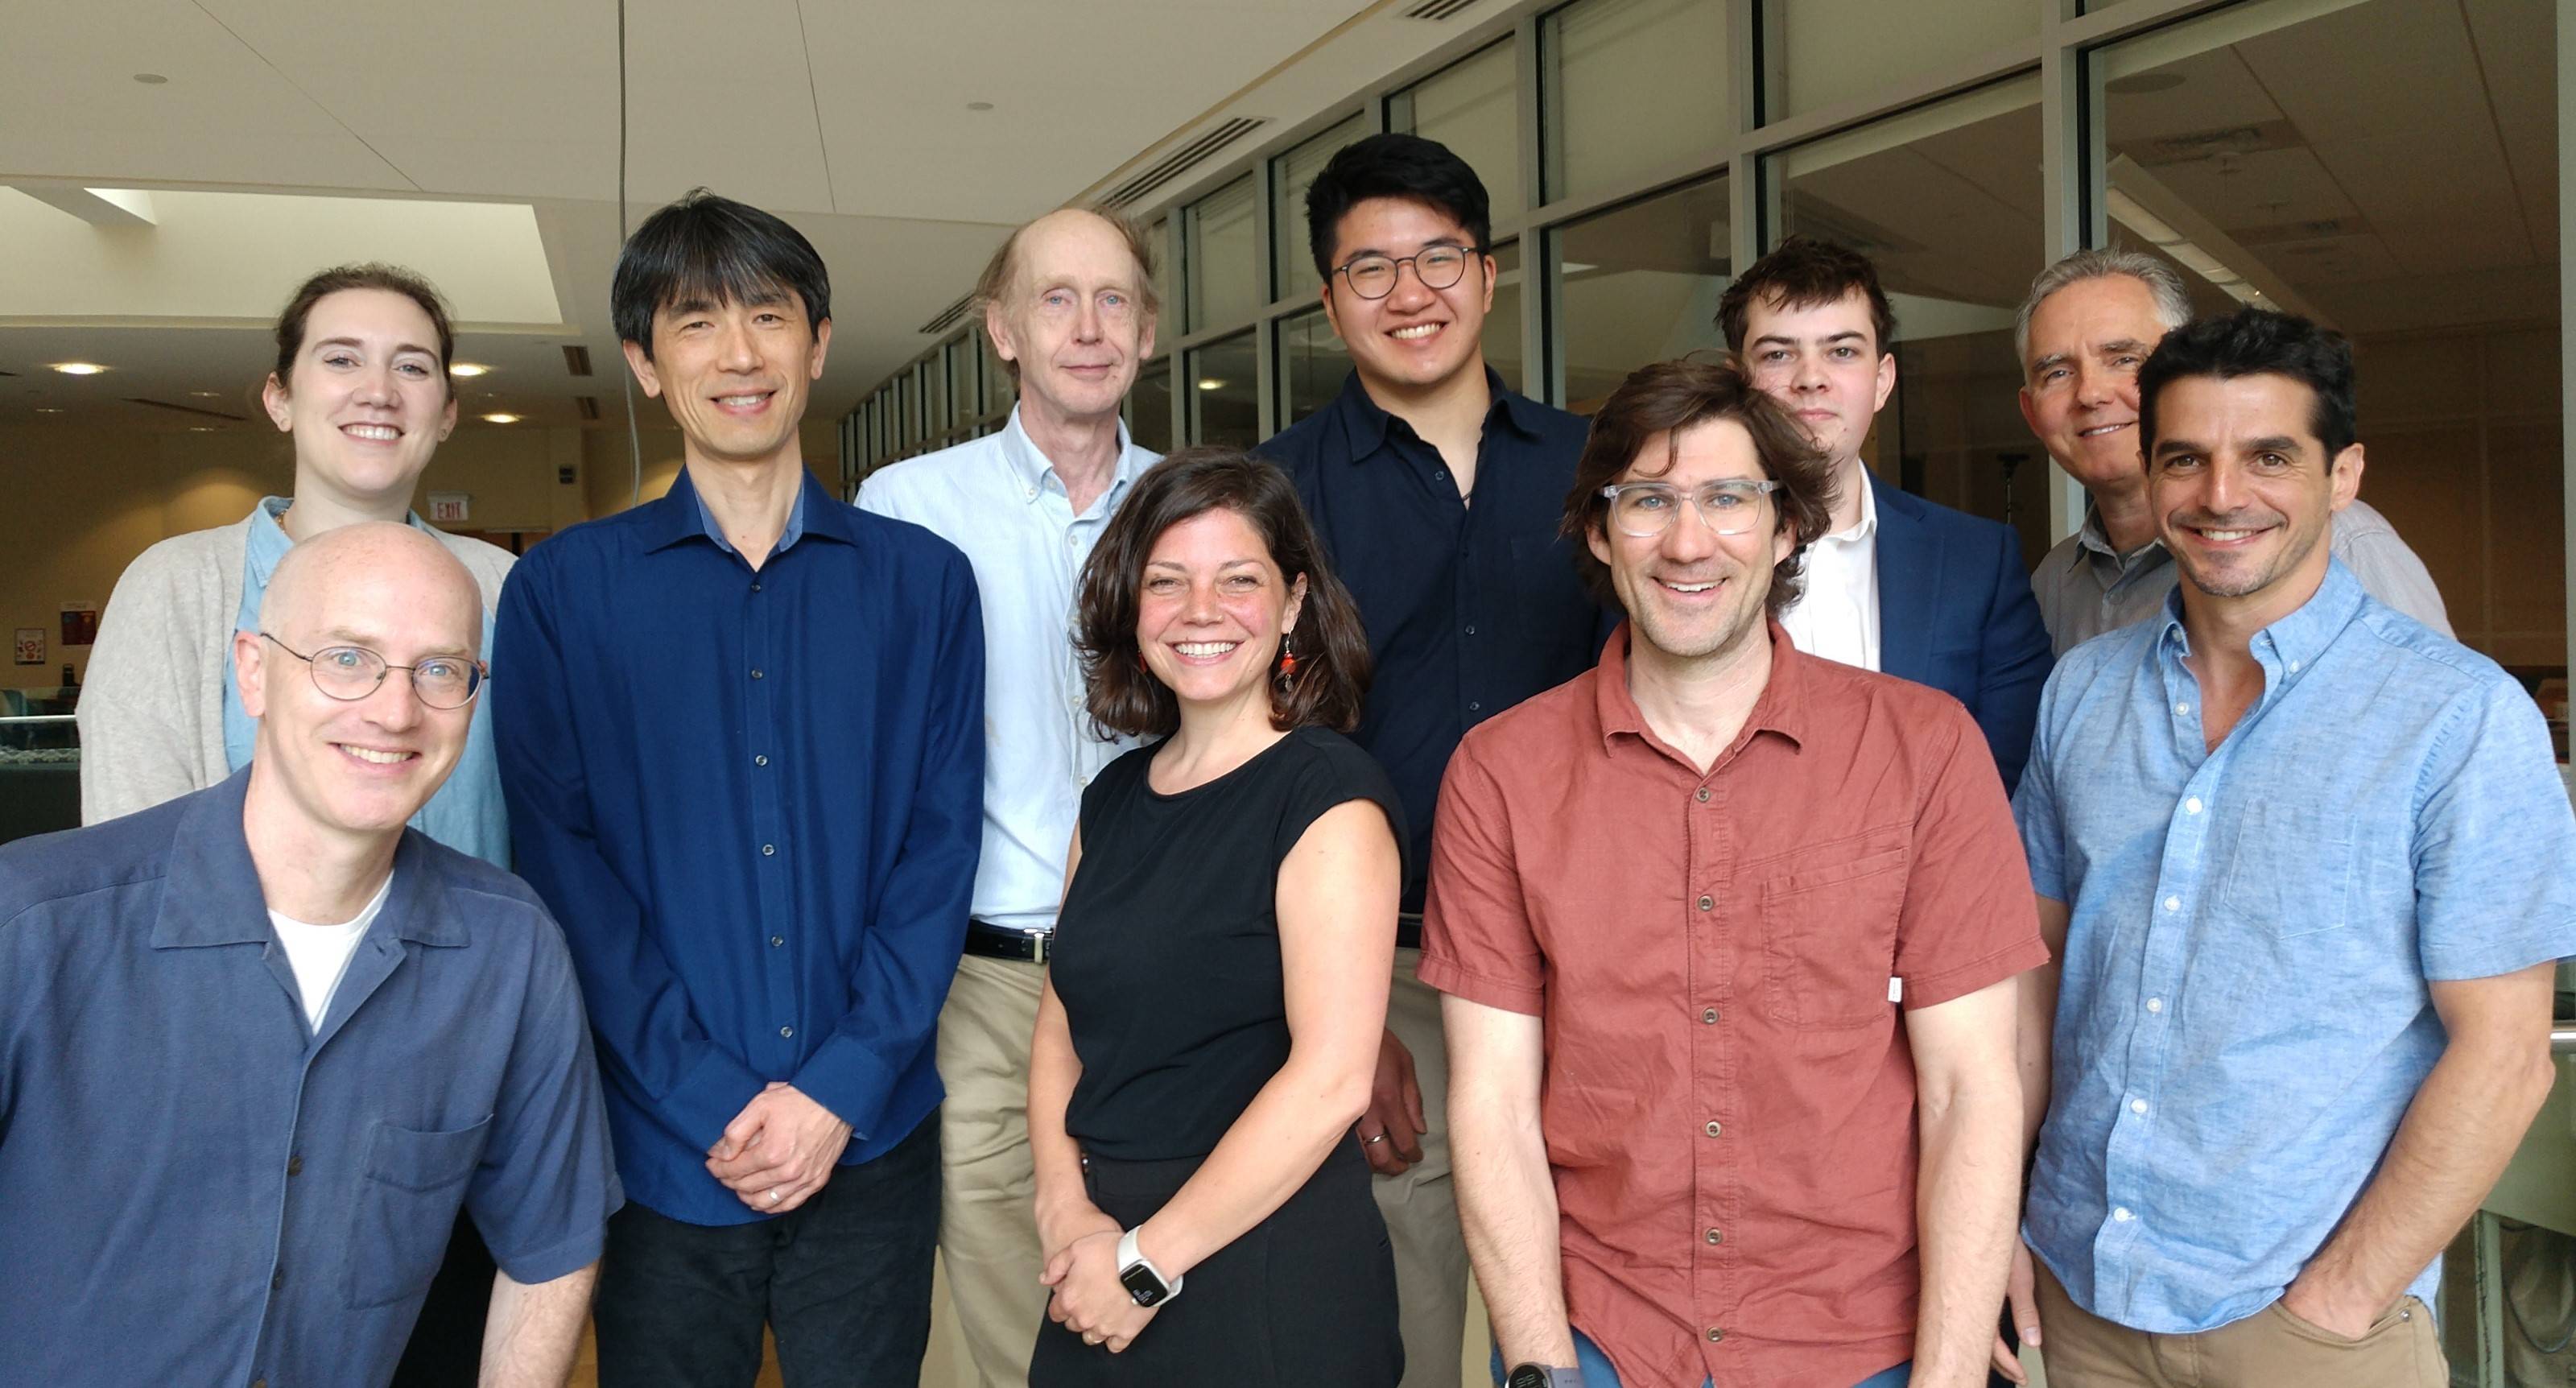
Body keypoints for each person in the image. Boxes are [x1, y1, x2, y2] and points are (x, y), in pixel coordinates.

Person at [1429, 355, 2043, 1388]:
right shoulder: (1500, 774)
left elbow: (1969, 1091)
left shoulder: (1922, 750)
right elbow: (1490, 1100)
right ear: (1595, 529)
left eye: (1727, 498)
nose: (1686, 541)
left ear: (1786, 527)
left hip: (1861, 1342)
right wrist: (1542, 1366)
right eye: (1645, 502)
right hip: (1603, 1339)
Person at [2009, 308, 2575, 1387]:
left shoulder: (2456, 717)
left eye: (2269, 457)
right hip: (2076, 1295)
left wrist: (2342, 1301)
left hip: (2306, 1322)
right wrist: (2001, 1218)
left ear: (2343, 473)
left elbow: (2503, 1060)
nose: (2223, 496)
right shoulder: (2080, 694)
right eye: (2186, 458)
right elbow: (2034, 986)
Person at [491, 189, 985, 1386]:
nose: (740, 354)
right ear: (645, 365)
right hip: (660, 1146)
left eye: (769, 317)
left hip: (872, 1135)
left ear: (817, 344)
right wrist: (708, 1094)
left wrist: (838, 1086)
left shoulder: (923, 584)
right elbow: (563, 869)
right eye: (697, 323)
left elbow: (938, 848)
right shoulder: (562, 594)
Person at [0, 523, 619, 1388]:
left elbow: (550, 1244)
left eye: (440, 668)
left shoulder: (508, 950)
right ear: (252, 671)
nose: (395, 709)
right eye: (346, 657)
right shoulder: (30, 921)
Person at [72, 260, 518, 1380]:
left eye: (414, 366)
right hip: (217, 1108)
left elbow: (538, 839)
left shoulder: (505, 592)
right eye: (342, 358)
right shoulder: (177, 590)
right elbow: (131, 874)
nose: (380, 388)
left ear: (448, 411)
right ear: (280, 397)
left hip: (451, 1103)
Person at [1257, 132, 1607, 1384]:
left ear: (1491, 271)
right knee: (1406, 1307)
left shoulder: (1596, 471)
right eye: (1371, 270)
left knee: (1592, 1286)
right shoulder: (1275, 493)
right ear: (1327, 299)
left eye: (1438, 258)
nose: (1411, 295)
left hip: (1591, 955)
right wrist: (1338, 1020)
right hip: (1386, 961)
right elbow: (1260, 758)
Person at [857, 204, 1162, 1388]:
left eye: (1115, 300)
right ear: (1002, 331)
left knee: (1156, 1274)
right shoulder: (909, 508)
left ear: (1145, 334)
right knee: (997, 1293)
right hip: (987, 975)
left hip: (1168, 968)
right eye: (1056, 299)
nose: (1088, 328)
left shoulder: (1198, 506)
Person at [1026, 448, 1405, 1386]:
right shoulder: (1109, 800)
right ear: (1131, 605)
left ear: (1290, 605)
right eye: (1167, 581)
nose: (1201, 610)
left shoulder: (1329, 797)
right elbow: (1060, 1025)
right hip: (1102, 1251)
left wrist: (1148, 1262)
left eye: (1238, 580)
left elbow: (1330, 1079)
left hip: (1262, 1262)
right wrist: (1064, 1209)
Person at [1718, 236, 2053, 790]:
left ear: (1883, 380)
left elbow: (2002, 777)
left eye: (1842, 351)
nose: (1811, 377)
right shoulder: (1681, 557)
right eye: (1778, 354)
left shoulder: (1977, 561)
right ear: (1737, 380)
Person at [2012, 248, 2450, 654]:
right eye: (2057, 373)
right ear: (2031, 413)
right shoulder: (2054, 583)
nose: (2090, 394)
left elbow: (2432, 706)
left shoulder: (2341, 543)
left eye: (2124, 359)